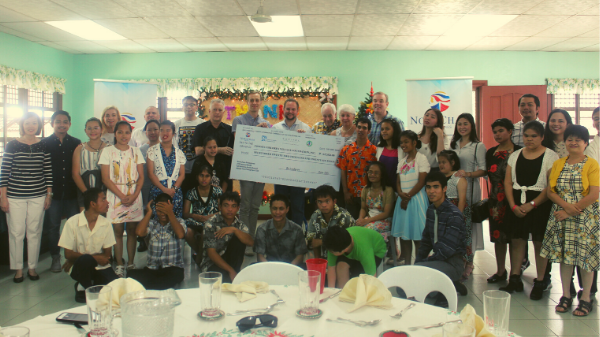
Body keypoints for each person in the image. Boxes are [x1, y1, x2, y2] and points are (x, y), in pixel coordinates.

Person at [541, 125, 599, 316]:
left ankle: (586, 298)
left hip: (584, 218)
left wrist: (571, 211)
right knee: (564, 258)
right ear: (565, 142)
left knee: (585, 259)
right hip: (561, 215)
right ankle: (566, 295)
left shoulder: (592, 164)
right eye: (569, 139)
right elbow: (551, 191)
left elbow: (594, 193)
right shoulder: (558, 163)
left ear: (585, 143)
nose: (573, 143)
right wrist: (565, 208)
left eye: (578, 140)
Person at [501, 121, 559, 299]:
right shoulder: (516, 155)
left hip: (540, 204)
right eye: (526, 136)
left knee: (539, 242)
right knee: (517, 240)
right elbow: (508, 182)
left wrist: (532, 204)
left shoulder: (551, 156)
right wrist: (513, 205)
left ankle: (540, 281)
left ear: (542, 137)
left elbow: (550, 187)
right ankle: (515, 277)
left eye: (534, 136)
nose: (530, 139)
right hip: (517, 202)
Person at [0, 112, 52, 283]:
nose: (31, 126)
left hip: (38, 195)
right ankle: (17, 270)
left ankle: (32, 267)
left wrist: (48, 194)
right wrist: (3, 197)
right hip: (15, 196)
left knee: (34, 232)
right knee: (16, 233)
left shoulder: (43, 145)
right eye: (28, 123)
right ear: (22, 125)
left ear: (38, 126)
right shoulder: (12, 145)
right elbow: (4, 172)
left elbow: (48, 171)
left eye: (34, 123)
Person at [99, 121, 145, 277]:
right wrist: (121, 196)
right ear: (115, 134)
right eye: (120, 132)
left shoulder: (136, 151)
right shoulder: (107, 151)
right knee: (117, 231)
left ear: (130, 134)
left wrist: (133, 195)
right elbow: (105, 178)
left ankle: (131, 263)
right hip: (115, 195)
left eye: (127, 132)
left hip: (134, 195)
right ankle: (119, 263)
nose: (123, 136)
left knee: (132, 231)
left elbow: (141, 177)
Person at [58, 188, 118, 303]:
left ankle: (87, 285)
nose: (107, 202)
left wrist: (75, 258)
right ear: (93, 204)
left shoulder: (106, 224)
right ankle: (84, 287)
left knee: (114, 286)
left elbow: (107, 256)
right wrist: (89, 258)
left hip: (99, 266)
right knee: (85, 261)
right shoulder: (72, 222)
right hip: (79, 267)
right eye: (103, 199)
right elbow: (68, 254)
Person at [41, 110, 81, 273]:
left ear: (69, 124)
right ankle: (55, 258)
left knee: (74, 226)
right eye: (58, 121)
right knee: (53, 227)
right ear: (52, 124)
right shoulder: (44, 143)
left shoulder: (76, 143)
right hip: (53, 193)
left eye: (65, 121)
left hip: (72, 191)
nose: (61, 124)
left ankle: (73, 257)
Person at [416, 171, 468, 296]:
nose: (431, 191)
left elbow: (447, 250)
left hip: (453, 264)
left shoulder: (454, 214)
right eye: (428, 187)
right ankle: (450, 284)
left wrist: (426, 263)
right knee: (405, 287)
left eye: (436, 187)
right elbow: (426, 241)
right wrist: (417, 263)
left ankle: (451, 284)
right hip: (438, 260)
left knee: (428, 291)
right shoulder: (431, 210)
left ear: (444, 189)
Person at [232, 90, 270, 256]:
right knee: (245, 206)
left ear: (260, 102)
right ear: (247, 102)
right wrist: (255, 130)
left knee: (255, 207)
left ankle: (252, 239)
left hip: (260, 170)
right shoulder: (238, 120)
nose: (254, 103)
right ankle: (243, 240)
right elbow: (239, 141)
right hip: (246, 168)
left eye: (257, 100)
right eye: (251, 100)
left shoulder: (266, 123)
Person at [449, 113, 487, 279]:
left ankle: (469, 262)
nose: (462, 127)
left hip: (470, 190)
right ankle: (457, 259)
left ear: (472, 126)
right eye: (459, 124)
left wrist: (468, 174)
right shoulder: (453, 144)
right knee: (457, 226)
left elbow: (484, 170)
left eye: (465, 124)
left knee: (468, 228)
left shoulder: (478, 146)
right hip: (453, 190)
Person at [485, 118, 522, 283]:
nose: (497, 134)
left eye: (501, 130)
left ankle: (515, 274)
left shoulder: (520, 151)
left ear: (510, 131)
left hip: (514, 199)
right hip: (495, 200)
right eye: (495, 132)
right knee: (498, 237)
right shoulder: (490, 152)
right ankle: (500, 272)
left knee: (515, 238)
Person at [130, 194, 187, 290]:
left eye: (165, 210)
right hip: (152, 269)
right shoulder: (152, 223)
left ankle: (153, 287)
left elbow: (180, 234)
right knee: (130, 276)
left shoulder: (179, 221)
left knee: (174, 276)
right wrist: (149, 213)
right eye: (159, 211)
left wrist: (170, 213)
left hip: (173, 269)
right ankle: (155, 285)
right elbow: (139, 232)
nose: (162, 214)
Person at [392, 130, 430, 265]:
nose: (403, 144)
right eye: (401, 142)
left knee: (418, 236)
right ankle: (407, 265)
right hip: (402, 201)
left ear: (414, 143)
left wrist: (407, 197)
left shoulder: (421, 158)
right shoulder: (402, 161)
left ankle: (420, 264)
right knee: (405, 236)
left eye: (406, 142)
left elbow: (421, 181)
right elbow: (398, 181)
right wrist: (400, 193)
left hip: (416, 201)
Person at [272, 99, 312, 225]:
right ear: (283, 110)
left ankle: (297, 238)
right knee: (280, 208)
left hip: (297, 175)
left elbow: (309, 152)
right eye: (288, 109)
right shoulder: (275, 128)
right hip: (280, 175)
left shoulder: (306, 129)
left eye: (293, 109)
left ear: (297, 111)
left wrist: (304, 139)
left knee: (297, 207)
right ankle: (281, 235)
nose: (290, 112)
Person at [200, 191, 253, 283]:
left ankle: (233, 274)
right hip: (213, 264)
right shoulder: (211, 223)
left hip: (232, 263)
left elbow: (250, 242)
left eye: (233, 206)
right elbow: (211, 253)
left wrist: (234, 230)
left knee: (240, 238)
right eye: (226, 205)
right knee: (223, 283)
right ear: (220, 207)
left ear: (238, 208)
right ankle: (232, 274)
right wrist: (230, 270)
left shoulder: (239, 225)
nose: (230, 209)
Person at [438, 150, 471, 280]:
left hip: (457, 211)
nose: (441, 165)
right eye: (439, 162)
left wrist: (458, 216)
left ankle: (462, 267)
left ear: (452, 162)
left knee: (461, 240)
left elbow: (462, 200)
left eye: (444, 162)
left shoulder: (459, 178)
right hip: (442, 212)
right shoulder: (439, 177)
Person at [336, 117, 377, 219]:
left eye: (364, 128)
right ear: (356, 129)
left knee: (366, 224)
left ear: (369, 131)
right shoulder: (346, 149)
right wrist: (345, 192)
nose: (361, 130)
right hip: (351, 195)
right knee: (351, 224)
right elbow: (343, 171)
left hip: (368, 195)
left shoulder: (375, 151)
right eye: (359, 127)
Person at [183, 164, 223, 264]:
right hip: (196, 222)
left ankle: (199, 258)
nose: (204, 179)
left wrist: (209, 217)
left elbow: (222, 211)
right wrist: (195, 216)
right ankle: (202, 254)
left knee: (206, 230)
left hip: (213, 222)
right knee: (187, 232)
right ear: (197, 177)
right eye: (201, 175)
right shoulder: (191, 192)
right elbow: (185, 213)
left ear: (211, 177)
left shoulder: (217, 191)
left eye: (207, 176)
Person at [192, 98, 234, 193]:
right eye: (214, 109)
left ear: (223, 113)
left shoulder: (230, 130)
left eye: (220, 110)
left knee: (224, 205)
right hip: (204, 174)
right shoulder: (200, 128)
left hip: (225, 175)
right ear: (210, 111)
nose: (217, 112)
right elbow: (198, 151)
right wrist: (220, 150)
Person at [147, 120, 186, 218]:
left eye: (168, 130)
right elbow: (151, 174)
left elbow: (182, 174)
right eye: (162, 130)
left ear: (173, 133)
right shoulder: (152, 150)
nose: (165, 133)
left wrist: (174, 189)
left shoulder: (179, 153)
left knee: (175, 222)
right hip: (158, 190)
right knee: (157, 221)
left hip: (175, 193)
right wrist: (164, 189)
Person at [254, 194, 307, 266]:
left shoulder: (297, 230)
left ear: (287, 209)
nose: (277, 212)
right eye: (274, 208)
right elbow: (260, 256)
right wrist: (271, 269)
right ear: (270, 209)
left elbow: (300, 256)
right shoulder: (262, 229)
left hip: (291, 267)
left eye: (281, 209)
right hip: (269, 267)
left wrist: (288, 269)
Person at [306, 184, 355, 258]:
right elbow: (313, 242)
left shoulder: (344, 217)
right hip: (326, 257)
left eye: (327, 201)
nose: (324, 205)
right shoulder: (315, 216)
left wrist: (322, 242)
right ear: (316, 203)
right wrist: (318, 262)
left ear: (334, 201)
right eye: (320, 202)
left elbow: (347, 243)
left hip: (345, 256)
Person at [73, 117, 109, 212]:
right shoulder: (80, 149)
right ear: (85, 130)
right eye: (89, 128)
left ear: (101, 129)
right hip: (85, 192)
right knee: (86, 222)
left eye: (96, 128)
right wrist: (87, 194)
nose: (92, 131)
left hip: (104, 192)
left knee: (103, 222)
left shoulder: (109, 148)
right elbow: (75, 174)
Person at [136, 119, 160, 253]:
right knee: (145, 213)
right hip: (144, 187)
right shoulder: (141, 150)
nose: (152, 132)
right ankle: (144, 241)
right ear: (145, 132)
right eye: (149, 129)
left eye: (155, 129)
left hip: (159, 188)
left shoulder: (165, 148)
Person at [174, 96, 205, 196]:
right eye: (186, 104)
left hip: (198, 167)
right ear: (182, 107)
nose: (189, 107)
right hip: (180, 169)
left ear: (197, 107)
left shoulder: (202, 124)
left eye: (192, 104)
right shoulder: (176, 125)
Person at [357, 162, 394, 242]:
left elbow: (386, 213)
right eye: (370, 172)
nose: (372, 174)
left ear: (382, 175)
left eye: (376, 173)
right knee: (354, 228)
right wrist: (360, 219)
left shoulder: (388, 190)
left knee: (366, 230)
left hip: (384, 220)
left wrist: (367, 221)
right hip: (369, 218)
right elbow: (363, 208)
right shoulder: (365, 189)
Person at [376, 118, 402, 190]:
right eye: (382, 129)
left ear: (395, 130)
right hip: (382, 187)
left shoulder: (401, 148)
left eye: (387, 129)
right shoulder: (380, 146)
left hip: (398, 187)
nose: (384, 131)